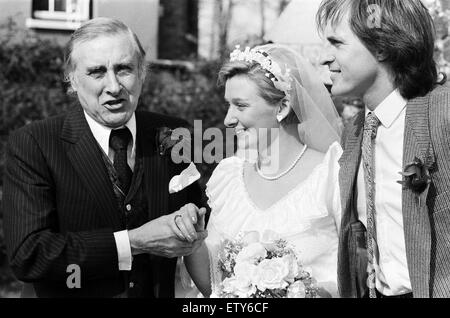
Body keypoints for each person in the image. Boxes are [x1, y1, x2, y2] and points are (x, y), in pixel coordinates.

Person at [2, 17, 207, 298]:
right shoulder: (34, 144)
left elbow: (201, 213)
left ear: (142, 72)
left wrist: (192, 216)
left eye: (124, 69)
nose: (113, 86)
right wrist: (133, 242)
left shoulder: (173, 132)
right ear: (72, 79)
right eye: (97, 72)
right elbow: (30, 254)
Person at [175, 44, 343, 297]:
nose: (228, 119)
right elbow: (215, 286)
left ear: (282, 107)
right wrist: (193, 241)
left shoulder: (330, 173)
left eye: (240, 106)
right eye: (228, 105)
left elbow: (358, 270)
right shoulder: (229, 177)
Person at [317, 0, 450, 298]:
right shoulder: (354, 132)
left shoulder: (443, 113)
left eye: (336, 42)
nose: (323, 58)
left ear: (383, 46)